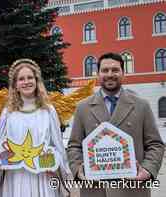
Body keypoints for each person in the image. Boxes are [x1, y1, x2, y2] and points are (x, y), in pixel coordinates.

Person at [67, 52, 165, 197]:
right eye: (105, 70)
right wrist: (78, 169)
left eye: (115, 70)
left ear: (123, 73)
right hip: (95, 189)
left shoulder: (141, 105)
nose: (110, 74)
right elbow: (74, 146)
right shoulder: (83, 107)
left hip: (132, 189)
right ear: (98, 74)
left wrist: (147, 170)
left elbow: (156, 144)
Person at [0, 59, 71, 197]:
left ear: (37, 82)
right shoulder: (8, 112)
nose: (26, 82)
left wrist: (51, 163)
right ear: (15, 85)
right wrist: (3, 157)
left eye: (30, 77)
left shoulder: (48, 110)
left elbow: (56, 144)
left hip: (43, 175)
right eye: (21, 79)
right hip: (15, 176)